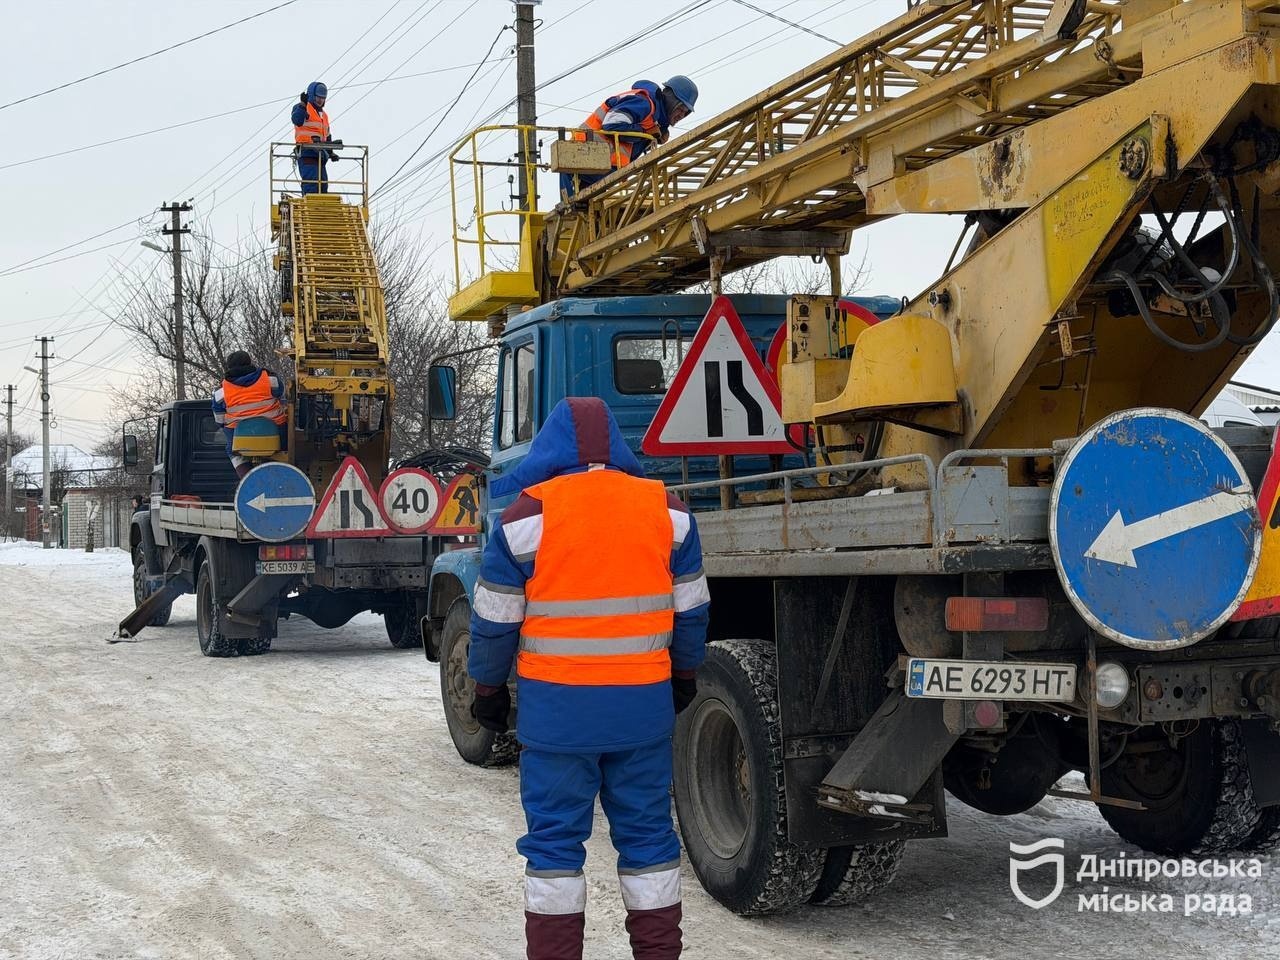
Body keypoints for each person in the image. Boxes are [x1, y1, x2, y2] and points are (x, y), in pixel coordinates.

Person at [468, 397, 710, 960]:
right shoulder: (668, 512)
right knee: (649, 841)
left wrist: (486, 691)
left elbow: (494, 620)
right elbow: (692, 609)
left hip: (556, 722)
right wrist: (685, 674)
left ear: (550, 448)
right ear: (619, 447)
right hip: (642, 715)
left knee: (554, 848)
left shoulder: (526, 517)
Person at [560, 76, 698, 198]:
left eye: (685, 113)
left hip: (599, 164)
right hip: (584, 156)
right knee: (577, 204)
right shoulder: (644, 103)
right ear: (671, 100)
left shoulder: (654, 115)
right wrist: (646, 132)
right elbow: (612, 124)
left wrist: (655, 133)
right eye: (680, 109)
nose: (681, 115)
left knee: (590, 208)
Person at [211, 351, 288, 479]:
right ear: (250, 362)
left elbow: (219, 420)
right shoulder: (270, 380)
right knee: (285, 444)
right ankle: (280, 468)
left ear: (229, 367)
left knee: (232, 451)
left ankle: (247, 478)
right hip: (275, 430)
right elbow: (280, 392)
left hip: (239, 434)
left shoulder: (220, 392)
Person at [291, 81, 336, 195]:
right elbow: (297, 120)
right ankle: (309, 208)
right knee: (312, 184)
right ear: (311, 95)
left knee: (323, 186)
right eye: (318, 97)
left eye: (323, 98)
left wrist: (331, 152)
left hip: (320, 156)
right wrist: (302, 104)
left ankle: (321, 210)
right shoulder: (303, 108)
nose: (320, 100)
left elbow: (327, 135)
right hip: (307, 153)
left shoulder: (324, 115)